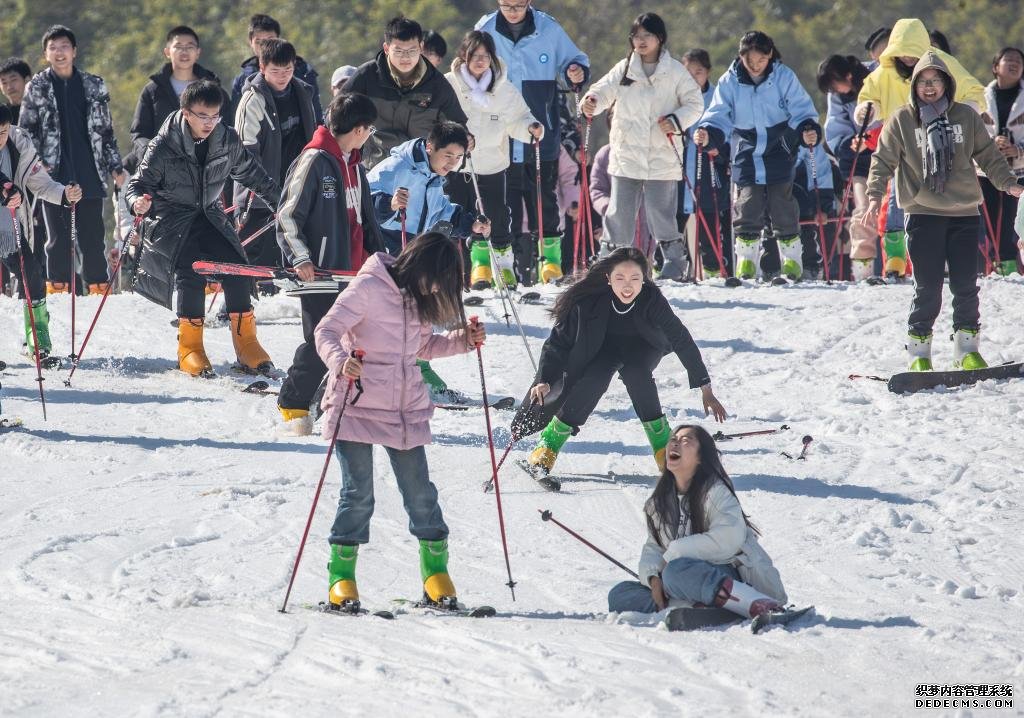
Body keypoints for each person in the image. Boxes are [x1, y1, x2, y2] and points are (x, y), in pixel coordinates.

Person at [314, 231, 487, 611]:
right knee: (358, 494)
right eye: (436, 278)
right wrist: (340, 362)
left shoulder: (419, 297)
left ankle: (435, 575)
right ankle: (341, 579)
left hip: (403, 406)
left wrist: (462, 340)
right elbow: (326, 330)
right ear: (418, 265)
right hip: (356, 401)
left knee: (420, 493)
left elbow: (421, 347)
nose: (437, 289)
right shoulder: (370, 286)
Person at [513, 248, 726, 488]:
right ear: (608, 279)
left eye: (635, 279)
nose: (628, 286)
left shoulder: (652, 299)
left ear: (644, 279)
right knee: (595, 378)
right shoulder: (587, 302)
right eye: (620, 279)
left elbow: (680, 338)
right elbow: (557, 344)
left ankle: (666, 454)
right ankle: (547, 448)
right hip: (601, 348)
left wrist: (705, 387)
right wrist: (545, 379)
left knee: (638, 374)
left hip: (644, 346)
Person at [863, 53, 1024, 371]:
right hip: (922, 212)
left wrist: (1007, 183)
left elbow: (989, 155)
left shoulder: (966, 116)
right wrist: (872, 196)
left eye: (936, 80)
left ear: (947, 84)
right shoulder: (903, 120)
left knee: (966, 284)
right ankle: (919, 353)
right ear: (915, 85)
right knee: (928, 285)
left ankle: (967, 348)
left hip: (964, 212)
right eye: (923, 81)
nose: (929, 86)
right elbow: (882, 160)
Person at [124, 80, 281, 377]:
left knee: (236, 267)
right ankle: (190, 347)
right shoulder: (164, 144)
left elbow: (254, 176)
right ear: (186, 113)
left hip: (209, 215)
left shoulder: (226, 139)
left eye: (214, 116)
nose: (209, 123)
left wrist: (283, 205)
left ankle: (247, 344)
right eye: (202, 116)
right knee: (192, 269)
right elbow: (138, 185)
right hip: (172, 219)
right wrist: (137, 203)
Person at [275, 92, 384, 435]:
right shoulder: (315, 160)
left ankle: (333, 403)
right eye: (370, 129)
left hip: (353, 272)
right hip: (321, 272)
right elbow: (287, 216)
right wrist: (301, 257)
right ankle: (293, 404)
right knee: (322, 340)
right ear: (360, 128)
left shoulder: (354, 163)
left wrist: (380, 259)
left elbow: (365, 219)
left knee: (354, 340)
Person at [606, 424, 789, 621]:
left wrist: (675, 553)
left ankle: (756, 604)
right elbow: (654, 547)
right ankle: (700, 608)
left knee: (676, 572)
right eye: (673, 440)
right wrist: (652, 579)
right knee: (620, 594)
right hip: (679, 582)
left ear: (701, 457)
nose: (675, 443)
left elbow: (728, 540)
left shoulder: (716, 491)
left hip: (725, 574)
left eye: (686, 441)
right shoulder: (658, 503)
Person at [367, 121, 492, 402]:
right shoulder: (395, 168)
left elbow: (441, 211)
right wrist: (389, 205)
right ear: (429, 147)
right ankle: (399, 370)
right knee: (399, 312)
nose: (452, 163)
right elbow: (365, 202)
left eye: (458, 158)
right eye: (447, 155)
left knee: (421, 307)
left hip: (414, 247)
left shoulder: (432, 176)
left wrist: (469, 224)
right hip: (387, 246)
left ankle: (416, 367)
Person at [855, 18, 987, 279]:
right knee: (896, 202)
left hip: (939, 142)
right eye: (902, 52)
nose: (907, 58)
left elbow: (974, 90)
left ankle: (946, 255)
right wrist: (867, 111)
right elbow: (869, 96)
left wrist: (968, 109)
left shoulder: (941, 64)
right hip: (904, 144)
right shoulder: (885, 71)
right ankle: (895, 257)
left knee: (942, 199)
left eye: (913, 53)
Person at [579, 13, 703, 284]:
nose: (641, 41)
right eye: (636, 36)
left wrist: (676, 120)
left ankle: (674, 264)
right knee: (619, 213)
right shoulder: (624, 68)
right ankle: (608, 265)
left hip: (662, 156)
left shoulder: (675, 71)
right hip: (627, 154)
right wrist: (591, 101)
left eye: (647, 35)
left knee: (661, 213)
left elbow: (695, 103)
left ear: (660, 38)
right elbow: (601, 91)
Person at [476, 1, 589, 284]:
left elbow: (574, 61)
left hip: (541, 132)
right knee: (502, 203)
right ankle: (502, 264)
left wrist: (576, 71)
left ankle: (550, 263)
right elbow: (470, 65)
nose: (513, 10)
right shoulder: (486, 28)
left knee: (545, 199)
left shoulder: (548, 29)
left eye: (518, 4)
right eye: (506, 4)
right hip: (499, 135)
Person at [694, 31, 821, 282]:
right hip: (747, 146)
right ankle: (747, 264)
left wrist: (808, 128)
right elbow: (718, 112)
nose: (754, 66)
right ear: (741, 56)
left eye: (760, 60)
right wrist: (708, 132)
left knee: (781, 203)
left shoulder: (783, 76)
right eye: (749, 60)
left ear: (770, 55)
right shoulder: (730, 80)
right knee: (748, 202)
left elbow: (801, 107)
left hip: (779, 143)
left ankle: (792, 262)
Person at [18, 25, 125, 295]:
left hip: (89, 167)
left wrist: (115, 165)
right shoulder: (37, 87)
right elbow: (26, 130)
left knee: (92, 235)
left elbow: (106, 130)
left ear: (74, 51)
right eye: (53, 47)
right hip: (52, 172)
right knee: (57, 237)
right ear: (45, 54)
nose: (59, 52)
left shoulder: (94, 84)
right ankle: (60, 288)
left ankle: (99, 287)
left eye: (65, 46)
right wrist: (35, 165)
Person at [444, 30, 542, 290]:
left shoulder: (503, 88)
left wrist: (531, 128)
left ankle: (503, 267)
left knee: (496, 216)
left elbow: (519, 117)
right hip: (454, 166)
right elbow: (436, 119)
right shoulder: (449, 84)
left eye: (485, 56)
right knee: (454, 218)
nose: (480, 61)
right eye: (474, 55)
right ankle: (462, 271)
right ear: (463, 56)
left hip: (491, 164)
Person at [0, 106, 82, 361]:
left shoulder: (19, 142)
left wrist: (64, 195)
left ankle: (37, 338)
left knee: (31, 272)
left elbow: (39, 182)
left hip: (8, 225)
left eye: (2, 132)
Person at [234, 39, 318, 271]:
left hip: (296, 188)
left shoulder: (303, 92)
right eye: (275, 71)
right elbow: (244, 156)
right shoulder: (252, 100)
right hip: (258, 197)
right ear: (262, 68)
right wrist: (270, 193)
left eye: (288, 70)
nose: (282, 76)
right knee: (251, 256)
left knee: (291, 252)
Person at [343, 16, 467, 168]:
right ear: (387, 48)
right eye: (399, 51)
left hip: (418, 170)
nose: (406, 57)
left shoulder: (436, 84)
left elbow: (456, 125)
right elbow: (338, 114)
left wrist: (466, 138)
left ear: (421, 47)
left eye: (412, 50)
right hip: (372, 167)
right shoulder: (367, 76)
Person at [130, 26, 231, 162]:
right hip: (162, 171)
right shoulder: (153, 91)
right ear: (167, 52)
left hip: (205, 170)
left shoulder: (215, 91)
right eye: (178, 46)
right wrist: (151, 154)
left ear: (198, 52)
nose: (184, 51)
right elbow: (139, 134)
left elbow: (229, 130)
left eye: (190, 47)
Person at [818, 54, 878, 281]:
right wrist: (849, 144)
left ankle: (901, 263)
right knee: (863, 209)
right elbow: (835, 128)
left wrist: (872, 137)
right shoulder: (838, 96)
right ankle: (864, 269)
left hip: (893, 155)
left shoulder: (877, 76)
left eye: (836, 86)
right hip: (860, 160)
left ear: (848, 76)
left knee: (896, 211)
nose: (837, 91)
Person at [679, 49, 732, 279]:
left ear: (707, 72)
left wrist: (716, 148)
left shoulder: (716, 99)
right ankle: (672, 270)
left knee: (709, 228)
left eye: (698, 72)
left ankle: (713, 273)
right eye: (688, 73)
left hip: (709, 174)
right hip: (680, 175)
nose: (693, 78)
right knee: (673, 227)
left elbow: (729, 133)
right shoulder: (676, 98)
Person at [981, 47, 1024, 275]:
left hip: (1020, 172)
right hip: (987, 172)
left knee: (1013, 221)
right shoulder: (980, 97)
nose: (1015, 63)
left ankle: (1010, 268)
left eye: (1019, 61)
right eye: (1009, 59)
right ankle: (997, 267)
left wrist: (1016, 149)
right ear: (996, 66)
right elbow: (973, 134)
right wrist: (992, 144)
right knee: (990, 224)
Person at [230, 14, 321, 118]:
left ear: (278, 39)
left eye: (270, 40)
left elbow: (315, 113)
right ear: (250, 42)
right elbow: (236, 119)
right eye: (259, 41)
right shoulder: (243, 79)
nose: (264, 46)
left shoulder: (302, 71)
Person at [0, 58, 31, 124]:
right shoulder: (2, 114)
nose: (9, 87)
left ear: (27, 80)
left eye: (13, 80)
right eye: (4, 83)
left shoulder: (41, 108)